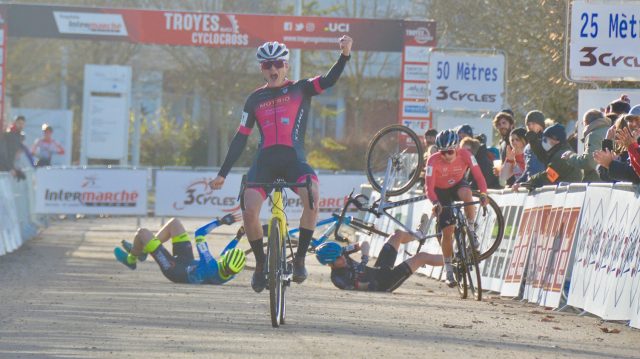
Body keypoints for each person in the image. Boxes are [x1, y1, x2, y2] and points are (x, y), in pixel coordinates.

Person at [210, 36, 353, 292]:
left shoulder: (301, 88)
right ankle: (262, 263)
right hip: (264, 162)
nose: (272, 69)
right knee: (249, 209)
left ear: (286, 65)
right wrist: (223, 173)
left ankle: (298, 260)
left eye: (277, 64)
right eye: (267, 65)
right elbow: (241, 136)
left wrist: (344, 55)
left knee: (312, 195)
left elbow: (329, 80)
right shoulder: (254, 99)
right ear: (261, 69)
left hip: (293, 161)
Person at [424, 129, 488, 287]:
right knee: (448, 231)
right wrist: (435, 203)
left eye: (450, 152)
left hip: (458, 185)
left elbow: (479, 176)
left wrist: (484, 194)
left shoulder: (466, 155)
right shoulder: (433, 161)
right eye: (443, 152)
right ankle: (448, 270)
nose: (446, 156)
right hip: (440, 191)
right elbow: (428, 188)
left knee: (467, 193)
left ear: (457, 148)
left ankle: (471, 231)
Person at [114, 214, 246, 285]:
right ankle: (143, 251)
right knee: (174, 223)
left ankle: (131, 259)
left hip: (174, 270)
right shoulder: (230, 274)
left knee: (142, 233)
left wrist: (220, 222)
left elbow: (199, 233)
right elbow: (224, 257)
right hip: (189, 264)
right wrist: (237, 237)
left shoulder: (211, 265)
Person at [315, 232, 442, 292]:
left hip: (379, 270)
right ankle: (453, 261)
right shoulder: (337, 278)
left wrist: (364, 258)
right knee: (421, 257)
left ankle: (418, 235)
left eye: (341, 254)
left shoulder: (340, 253)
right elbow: (362, 288)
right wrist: (358, 279)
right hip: (384, 284)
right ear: (330, 263)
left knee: (396, 236)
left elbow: (363, 243)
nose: (342, 257)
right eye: (338, 258)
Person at [513, 124, 581, 191]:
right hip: (567, 193)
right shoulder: (558, 151)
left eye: (545, 140)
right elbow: (543, 155)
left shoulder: (561, 156)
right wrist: (533, 142)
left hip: (568, 195)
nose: (543, 142)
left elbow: (548, 176)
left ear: (556, 141)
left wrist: (528, 183)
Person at [561, 109, 610, 183]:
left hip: (596, 182)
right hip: (610, 181)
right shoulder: (609, 130)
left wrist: (571, 156)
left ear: (586, 123)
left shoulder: (593, 135)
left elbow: (589, 162)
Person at [457, 124, 500, 189]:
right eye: (459, 137)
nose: (461, 139)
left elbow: (480, 182)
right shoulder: (467, 159)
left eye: (464, 136)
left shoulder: (480, 159)